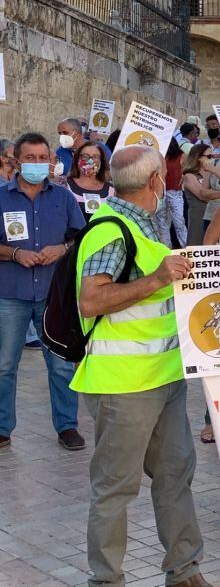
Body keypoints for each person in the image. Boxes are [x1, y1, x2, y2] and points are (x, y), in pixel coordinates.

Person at [73, 146, 209, 587]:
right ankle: (106, 581)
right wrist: (156, 279)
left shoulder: (143, 226)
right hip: (124, 385)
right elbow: (91, 299)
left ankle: (185, 573)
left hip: (164, 378)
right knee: (115, 488)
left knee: (174, 477)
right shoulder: (110, 230)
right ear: (154, 182)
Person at [0, 132, 86, 451]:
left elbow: (80, 237)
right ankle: (2, 427)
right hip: (11, 293)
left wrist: (62, 248)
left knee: (62, 363)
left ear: (51, 161)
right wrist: (13, 253)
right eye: (30, 158)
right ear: (16, 161)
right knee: (5, 364)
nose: (37, 164)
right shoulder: (1, 197)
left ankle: (67, 426)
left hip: (53, 294)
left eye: (42, 158)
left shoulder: (63, 199)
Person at [181, 144, 220, 246]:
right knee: (197, 244)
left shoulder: (212, 173)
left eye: (213, 156)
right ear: (198, 158)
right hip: (198, 216)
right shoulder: (189, 176)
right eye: (209, 156)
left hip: (213, 213)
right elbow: (202, 195)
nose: (211, 159)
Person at [66, 141, 115, 220]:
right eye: (85, 156)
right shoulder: (64, 185)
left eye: (95, 157)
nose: (90, 161)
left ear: (101, 161)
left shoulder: (112, 190)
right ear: (77, 159)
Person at [155, 138, 187, 247]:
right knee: (162, 223)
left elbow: (189, 168)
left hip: (175, 192)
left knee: (179, 222)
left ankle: (186, 248)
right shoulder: (158, 155)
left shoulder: (180, 156)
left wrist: (185, 177)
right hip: (160, 192)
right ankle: (167, 250)